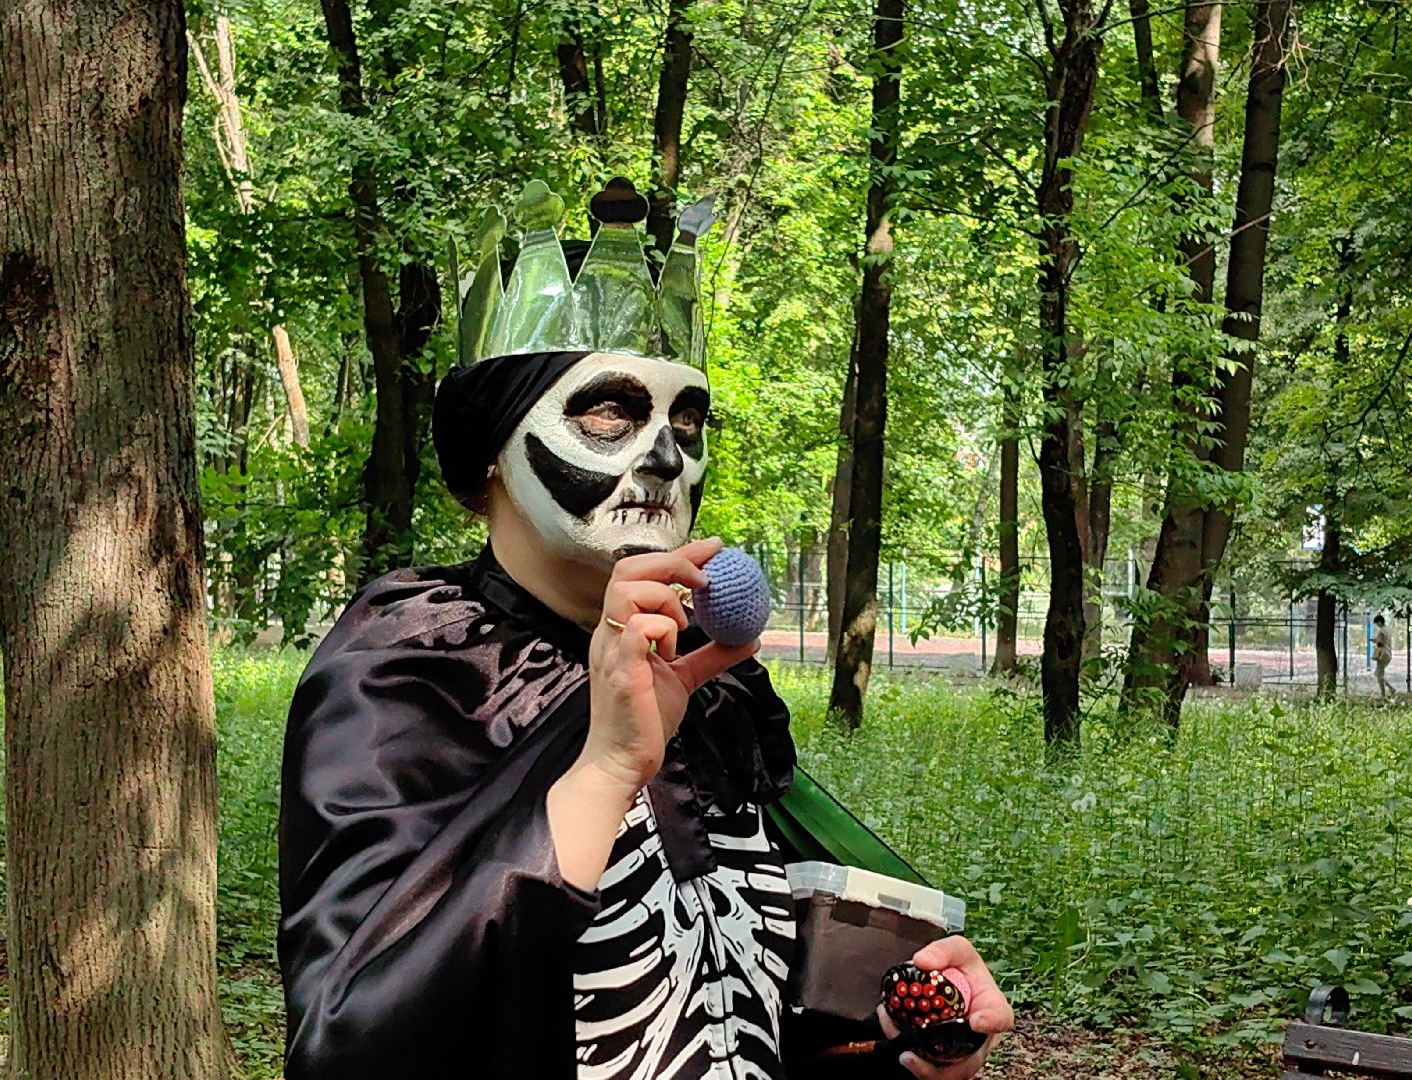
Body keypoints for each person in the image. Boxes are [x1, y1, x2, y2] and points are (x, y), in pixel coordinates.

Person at [276, 180, 1011, 1080]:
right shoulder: (415, 665)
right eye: (609, 413)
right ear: (493, 447)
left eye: (685, 418)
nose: (665, 456)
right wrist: (606, 768)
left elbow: (726, 1017)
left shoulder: (710, 680)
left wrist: (892, 1047)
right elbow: (350, 1045)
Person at [1372, 614, 1395, 699]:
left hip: (1383, 654)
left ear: (1379, 622)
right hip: (1388, 653)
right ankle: (1389, 689)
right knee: (1379, 674)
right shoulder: (1388, 629)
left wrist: (1376, 653)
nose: (1377, 625)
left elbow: (1381, 643)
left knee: (1379, 675)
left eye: (1377, 623)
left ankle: (1384, 693)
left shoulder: (1382, 631)